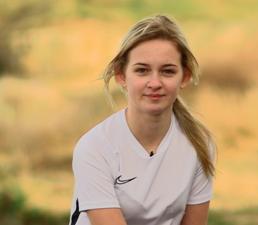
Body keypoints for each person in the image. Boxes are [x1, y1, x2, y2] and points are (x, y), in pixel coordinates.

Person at [68, 15, 216, 225]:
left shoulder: (200, 144)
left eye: (167, 71)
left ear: (184, 77)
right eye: (142, 70)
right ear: (121, 76)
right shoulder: (94, 147)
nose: (154, 83)